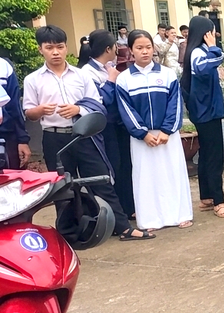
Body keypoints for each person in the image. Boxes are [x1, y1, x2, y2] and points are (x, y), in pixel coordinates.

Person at [23, 26, 151, 241]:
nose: (55, 52)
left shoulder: (80, 75)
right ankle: (69, 234)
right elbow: (29, 112)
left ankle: (122, 227)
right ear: (40, 50)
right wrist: (39, 110)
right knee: (62, 188)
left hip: (83, 135)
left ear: (66, 48)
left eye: (60, 47)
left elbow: (96, 104)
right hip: (54, 138)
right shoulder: (33, 80)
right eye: (49, 48)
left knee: (101, 180)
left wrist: (78, 110)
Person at [116, 30, 193, 231]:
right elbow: (126, 110)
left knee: (173, 174)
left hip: (168, 136)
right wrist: (142, 133)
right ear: (131, 50)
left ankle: (180, 214)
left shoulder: (167, 74)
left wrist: (167, 130)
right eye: (139, 48)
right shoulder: (124, 79)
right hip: (143, 139)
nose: (145, 52)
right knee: (146, 178)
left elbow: (175, 104)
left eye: (148, 47)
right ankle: (150, 220)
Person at [182, 16, 224, 219]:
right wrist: (213, 47)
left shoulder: (196, 52)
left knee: (207, 154)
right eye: (211, 32)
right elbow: (213, 62)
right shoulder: (198, 53)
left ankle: (207, 196)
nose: (214, 36)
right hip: (206, 111)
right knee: (214, 156)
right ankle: (219, 202)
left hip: (207, 109)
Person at [80, 29, 133, 215]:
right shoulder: (87, 72)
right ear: (108, 48)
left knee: (125, 165)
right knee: (114, 167)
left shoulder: (108, 66)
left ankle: (128, 207)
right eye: (115, 47)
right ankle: (117, 211)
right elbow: (99, 101)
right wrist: (111, 81)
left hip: (119, 125)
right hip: (104, 128)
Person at [0, 57, 30, 169]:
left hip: (6, 138)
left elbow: (14, 106)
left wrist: (22, 140)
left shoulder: (3, 66)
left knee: (8, 183)